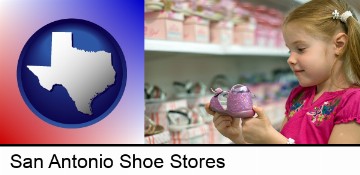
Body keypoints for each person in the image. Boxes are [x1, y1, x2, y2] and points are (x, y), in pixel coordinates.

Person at [205, 0, 360, 144]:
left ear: (339, 45)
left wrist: (272, 139)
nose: (290, 59)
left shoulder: (353, 102)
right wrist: (238, 136)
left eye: (300, 49)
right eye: (289, 51)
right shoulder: (299, 95)